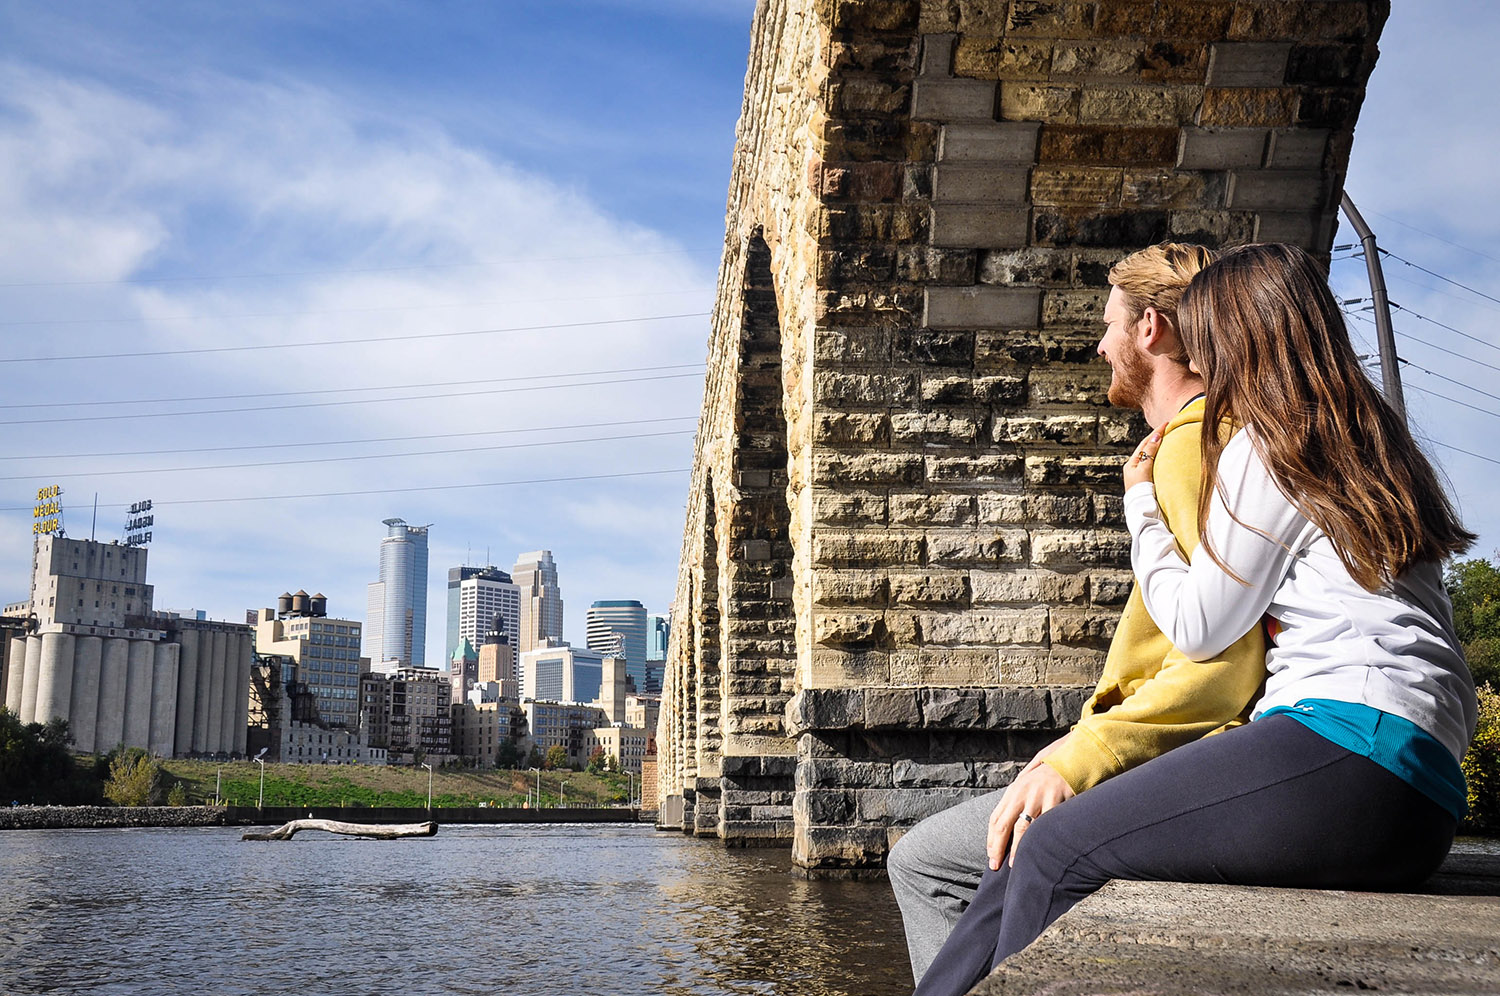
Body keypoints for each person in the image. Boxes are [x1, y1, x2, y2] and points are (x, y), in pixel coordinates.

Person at [912, 242, 1478, 996]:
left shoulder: (1265, 447)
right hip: (1423, 796)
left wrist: (1140, 503)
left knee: (1050, 850)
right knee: (1042, 852)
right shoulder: (1372, 441)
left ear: (1240, 332)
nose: (1201, 352)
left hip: (1347, 755)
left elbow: (1202, 628)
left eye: (1208, 331)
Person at [888, 242, 1268, 985]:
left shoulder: (1190, 450)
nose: (1098, 346)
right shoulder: (1209, 441)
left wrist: (1087, 749)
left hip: (1165, 749)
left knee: (924, 861)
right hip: (1178, 747)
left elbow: (1224, 660)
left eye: (1108, 325)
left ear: (1151, 330)